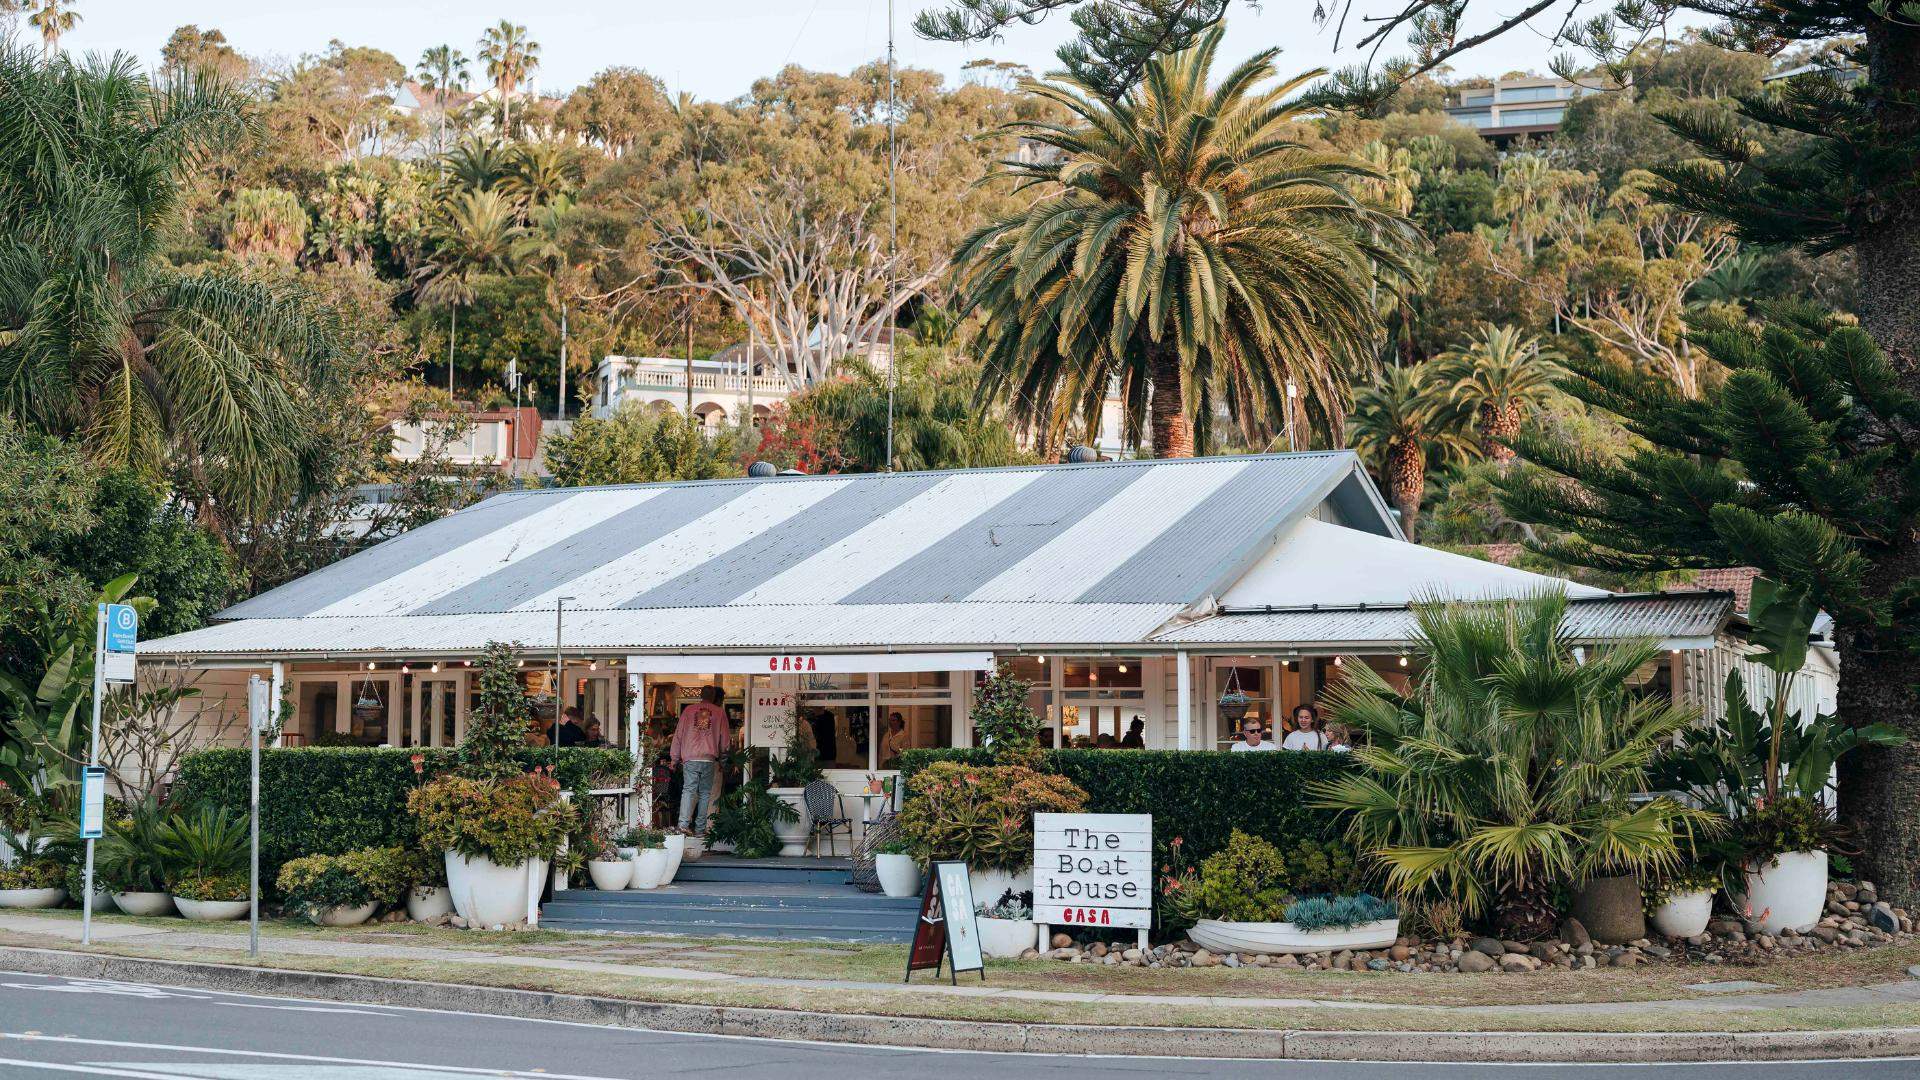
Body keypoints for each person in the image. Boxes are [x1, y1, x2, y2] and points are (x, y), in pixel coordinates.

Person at [671, 685, 728, 835]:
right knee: (705, 793)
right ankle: (701, 828)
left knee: (689, 790)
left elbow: (678, 735)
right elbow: (725, 740)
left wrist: (674, 758)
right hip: (709, 759)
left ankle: (683, 825)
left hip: (690, 758)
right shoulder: (719, 712)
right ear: (714, 696)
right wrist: (723, 760)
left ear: (700, 695)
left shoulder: (688, 711)